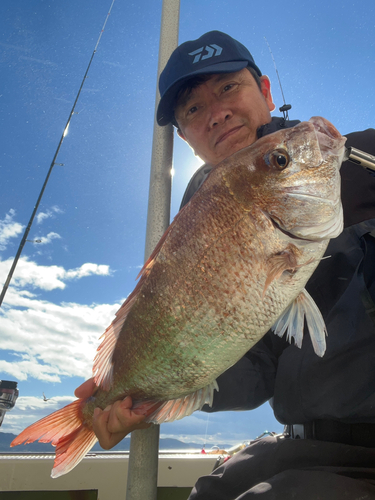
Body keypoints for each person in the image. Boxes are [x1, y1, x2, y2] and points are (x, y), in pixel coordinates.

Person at [75, 31, 375, 498]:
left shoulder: (352, 163)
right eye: (192, 109)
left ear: (266, 92)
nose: (216, 113)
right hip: (306, 448)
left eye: (229, 87)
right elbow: (253, 369)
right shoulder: (199, 216)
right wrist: (145, 401)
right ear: (184, 135)